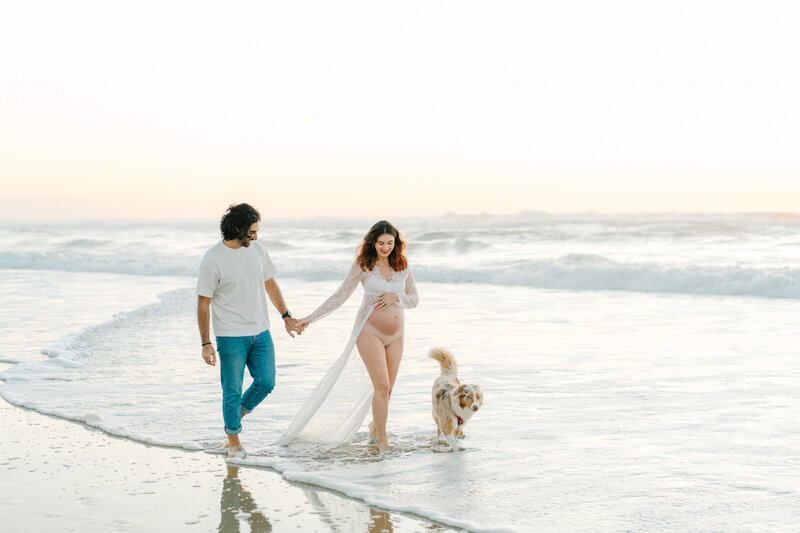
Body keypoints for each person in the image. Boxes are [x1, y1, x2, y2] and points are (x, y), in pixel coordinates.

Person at [279, 220, 419, 452]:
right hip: (369, 331)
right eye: (381, 243)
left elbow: (414, 299)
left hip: (396, 335)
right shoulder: (364, 265)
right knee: (382, 387)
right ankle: (382, 443)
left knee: (388, 389)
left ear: (396, 243)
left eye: (390, 243)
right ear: (372, 242)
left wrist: (397, 298)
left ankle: (376, 426)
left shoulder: (402, 264)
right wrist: (309, 318)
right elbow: (339, 296)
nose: (386, 247)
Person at [197, 203, 304, 458]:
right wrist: (205, 342)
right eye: (252, 231)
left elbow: (269, 283)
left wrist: (286, 316)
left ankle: (236, 412)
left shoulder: (258, 250)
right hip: (230, 336)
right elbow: (203, 302)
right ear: (237, 228)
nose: (256, 236)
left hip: (261, 332)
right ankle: (233, 440)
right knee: (231, 390)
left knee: (266, 382)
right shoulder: (213, 259)